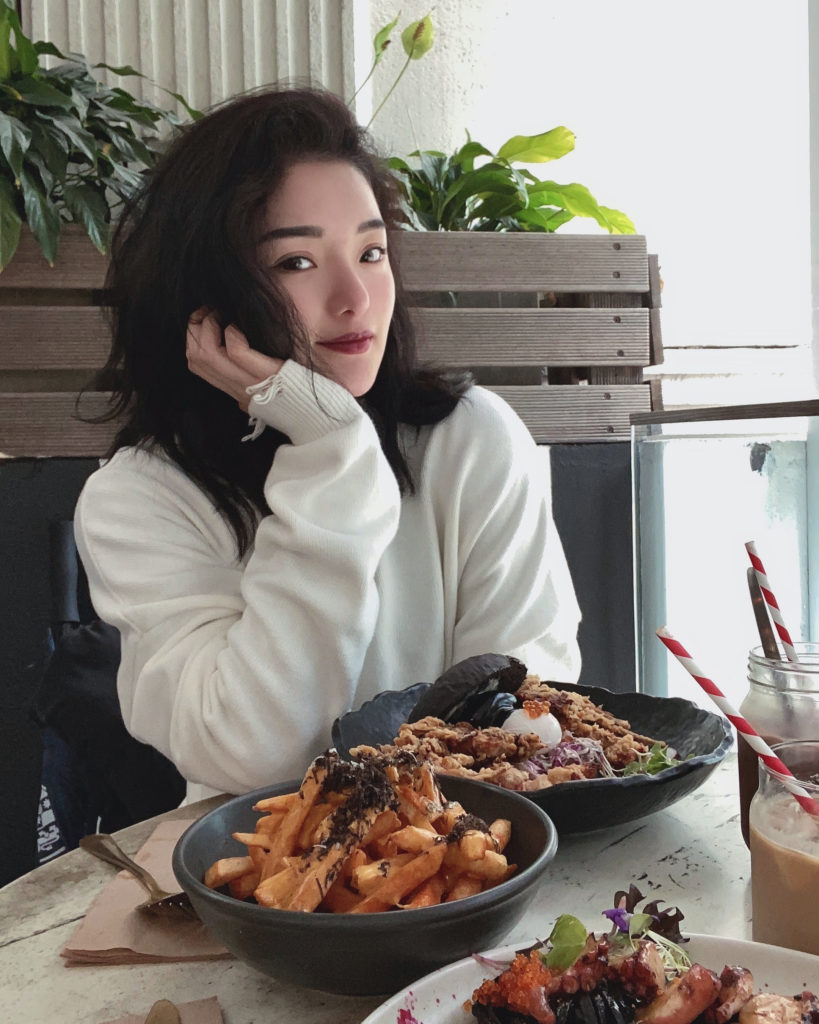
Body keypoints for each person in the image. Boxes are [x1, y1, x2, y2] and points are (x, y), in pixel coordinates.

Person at [74, 86, 581, 802]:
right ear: (207, 299)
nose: (356, 297)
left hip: (480, 851)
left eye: (371, 252)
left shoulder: (471, 439)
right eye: (297, 262)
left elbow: (528, 716)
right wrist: (329, 445)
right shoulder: (138, 499)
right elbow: (257, 757)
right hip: (253, 863)